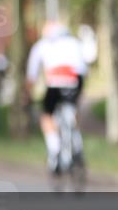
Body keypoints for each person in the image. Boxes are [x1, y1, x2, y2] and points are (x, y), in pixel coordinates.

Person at [25, 21, 88, 175]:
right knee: (74, 109)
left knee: (47, 116)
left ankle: (54, 150)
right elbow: (84, 69)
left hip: (55, 82)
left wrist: (27, 95)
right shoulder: (75, 43)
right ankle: (77, 144)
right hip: (75, 80)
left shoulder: (42, 45)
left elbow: (31, 76)